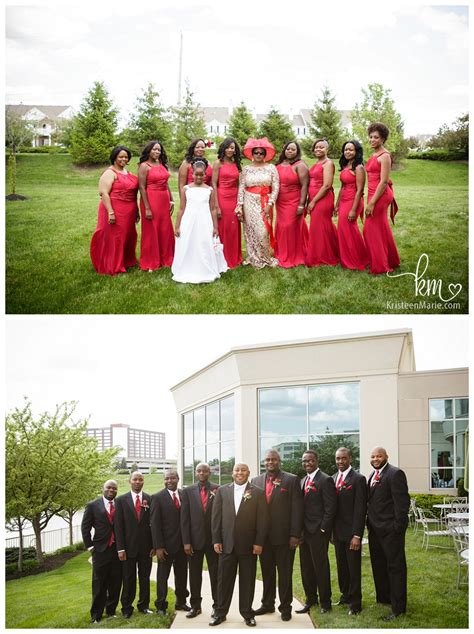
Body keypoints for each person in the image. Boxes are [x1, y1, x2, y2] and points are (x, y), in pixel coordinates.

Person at [210, 463, 268, 627]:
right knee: (223, 582)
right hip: (226, 544)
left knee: (248, 581)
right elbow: (216, 518)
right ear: (232, 472)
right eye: (237, 470)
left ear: (248, 473)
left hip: (249, 546)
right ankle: (220, 613)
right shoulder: (222, 491)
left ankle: (247, 613)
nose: (240, 472)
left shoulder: (258, 492)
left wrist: (258, 542)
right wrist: (216, 540)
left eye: (243, 470)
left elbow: (262, 521)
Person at [250, 449, 303, 621]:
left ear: (279, 461)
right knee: (267, 573)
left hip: (285, 538)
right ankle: (267, 604)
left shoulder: (291, 480)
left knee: (285, 574)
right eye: (267, 460)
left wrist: (295, 534)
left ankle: (285, 607)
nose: (270, 462)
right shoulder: (255, 481)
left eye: (273, 459)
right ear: (263, 462)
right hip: (263, 539)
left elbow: (297, 509)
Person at [366, 446, 410, 621]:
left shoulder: (395, 473)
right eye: (373, 456)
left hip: (391, 531)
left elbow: (402, 503)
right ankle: (384, 598)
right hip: (375, 531)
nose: (375, 459)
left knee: (395, 568)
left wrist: (397, 528)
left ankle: (398, 607)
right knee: (379, 566)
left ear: (386, 457)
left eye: (379, 456)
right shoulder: (371, 476)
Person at [172, 158, 228, 283]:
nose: (198, 177)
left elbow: (213, 209)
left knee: (203, 242)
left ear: (205, 175)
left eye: (201, 174)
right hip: (189, 220)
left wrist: (215, 227)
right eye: (196, 174)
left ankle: (205, 267)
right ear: (192, 174)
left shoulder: (209, 190)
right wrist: (177, 226)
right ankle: (187, 266)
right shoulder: (186, 189)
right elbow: (181, 208)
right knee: (189, 242)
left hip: (204, 221)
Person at [298, 449, 337, 615]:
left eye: (310, 460)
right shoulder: (302, 481)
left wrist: (323, 529)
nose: (307, 463)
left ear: (317, 461)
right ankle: (310, 599)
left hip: (318, 532)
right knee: (306, 567)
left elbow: (331, 508)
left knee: (320, 567)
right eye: (304, 461)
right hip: (304, 533)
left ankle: (325, 602)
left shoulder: (325, 480)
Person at [90, 145, 139, 275]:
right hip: (113, 208)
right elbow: (104, 193)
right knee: (114, 237)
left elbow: (134, 194)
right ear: (114, 157)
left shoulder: (128, 173)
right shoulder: (109, 173)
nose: (124, 159)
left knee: (127, 236)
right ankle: (111, 264)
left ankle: (126, 261)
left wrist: (137, 211)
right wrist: (111, 212)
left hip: (129, 210)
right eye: (121, 156)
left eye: (126, 157)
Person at [181, 463, 220, 618]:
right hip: (194, 542)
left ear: (209, 472)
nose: (202, 473)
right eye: (199, 471)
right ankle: (195, 606)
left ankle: (217, 605)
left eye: (205, 470)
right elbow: (184, 519)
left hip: (213, 541)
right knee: (195, 575)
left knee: (216, 574)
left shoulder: (218, 489)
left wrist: (219, 539)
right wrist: (186, 542)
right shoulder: (188, 491)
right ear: (195, 473)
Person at [332, 447, 367, 615]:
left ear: (350, 459)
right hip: (337, 534)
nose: (340, 461)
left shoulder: (358, 479)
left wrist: (357, 535)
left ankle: (355, 603)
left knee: (354, 569)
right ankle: (345, 595)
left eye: (343, 458)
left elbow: (360, 509)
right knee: (342, 567)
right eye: (338, 458)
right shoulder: (332, 479)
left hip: (352, 533)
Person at [81, 480, 122, 623]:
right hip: (100, 550)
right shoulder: (92, 505)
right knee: (99, 583)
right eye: (109, 488)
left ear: (117, 490)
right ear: (103, 489)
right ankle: (96, 615)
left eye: (114, 488)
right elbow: (85, 528)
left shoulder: (120, 504)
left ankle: (111, 611)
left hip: (117, 550)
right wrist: (90, 547)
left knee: (116, 582)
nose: (111, 490)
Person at [150, 469, 190, 615]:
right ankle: (161, 606)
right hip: (165, 547)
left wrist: (188, 542)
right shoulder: (157, 497)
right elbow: (155, 524)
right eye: (167, 479)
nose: (169, 481)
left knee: (181, 575)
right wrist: (158, 546)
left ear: (178, 479)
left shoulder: (184, 495)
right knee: (162, 577)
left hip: (182, 545)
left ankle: (181, 602)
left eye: (172, 478)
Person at [114, 471, 153, 618]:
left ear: (143, 482)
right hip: (128, 548)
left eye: (140, 479)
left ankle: (144, 606)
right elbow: (118, 526)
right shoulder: (121, 500)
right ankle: (126, 608)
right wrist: (121, 548)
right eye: (135, 479)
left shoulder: (149, 499)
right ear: (130, 481)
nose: (137, 481)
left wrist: (153, 546)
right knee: (128, 578)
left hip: (146, 548)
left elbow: (152, 525)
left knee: (145, 578)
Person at [236, 137, 279, 268]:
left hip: (265, 201)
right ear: (252, 154)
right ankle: (253, 256)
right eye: (256, 153)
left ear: (265, 155)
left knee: (263, 231)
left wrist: (270, 204)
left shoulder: (271, 168)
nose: (259, 155)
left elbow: (276, 187)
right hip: (249, 201)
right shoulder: (247, 169)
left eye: (261, 153)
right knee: (251, 230)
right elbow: (241, 187)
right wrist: (240, 205)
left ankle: (265, 257)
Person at [363, 123, 400, 274]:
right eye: (371, 137)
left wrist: (372, 203)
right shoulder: (374, 154)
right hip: (373, 192)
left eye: (376, 137)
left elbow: (384, 182)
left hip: (380, 195)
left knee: (370, 229)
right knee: (381, 227)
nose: (372, 140)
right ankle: (390, 259)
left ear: (383, 139)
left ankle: (380, 266)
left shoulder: (385, 156)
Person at [138, 140, 175, 270]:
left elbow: (166, 183)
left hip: (163, 200)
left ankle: (166, 258)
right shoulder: (144, 166)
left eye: (159, 150)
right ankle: (150, 260)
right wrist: (147, 208)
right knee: (151, 230)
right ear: (149, 150)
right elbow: (142, 187)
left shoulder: (162, 164)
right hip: (151, 199)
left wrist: (171, 199)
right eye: (154, 149)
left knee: (164, 229)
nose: (157, 152)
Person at [305, 139, 340, 267]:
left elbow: (326, 185)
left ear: (327, 149)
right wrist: (309, 199)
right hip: (314, 197)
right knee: (322, 227)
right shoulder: (317, 163)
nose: (318, 149)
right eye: (316, 147)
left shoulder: (328, 163)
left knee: (318, 227)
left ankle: (321, 256)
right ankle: (331, 251)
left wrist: (313, 201)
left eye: (322, 147)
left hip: (322, 198)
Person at [335, 141, 369, 270]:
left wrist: (354, 210)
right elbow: (343, 187)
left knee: (349, 228)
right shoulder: (345, 166)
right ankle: (348, 257)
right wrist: (337, 204)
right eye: (346, 149)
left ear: (357, 152)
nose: (347, 152)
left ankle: (358, 258)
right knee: (343, 229)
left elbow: (360, 190)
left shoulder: (359, 167)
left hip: (353, 200)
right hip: (344, 200)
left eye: (351, 150)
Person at [274, 141, 309, 268]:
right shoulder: (278, 164)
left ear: (297, 152)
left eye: (293, 149)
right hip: (280, 202)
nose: (290, 151)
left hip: (294, 201)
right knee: (281, 227)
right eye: (288, 149)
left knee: (289, 226)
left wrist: (301, 204)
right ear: (284, 150)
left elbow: (305, 185)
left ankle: (293, 255)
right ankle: (281, 253)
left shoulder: (300, 165)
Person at [212, 137, 243, 268]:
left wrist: (240, 203)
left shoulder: (237, 164)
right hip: (222, 196)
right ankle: (222, 257)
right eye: (228, 147)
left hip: (234, 197)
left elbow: (239, 183)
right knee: (224, 226)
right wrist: (216, 205)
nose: (230, 150)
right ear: (223, 148)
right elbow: (213, 183)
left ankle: (234, 256)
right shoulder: (218, 163)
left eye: (232, 148)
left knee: (234, 227)